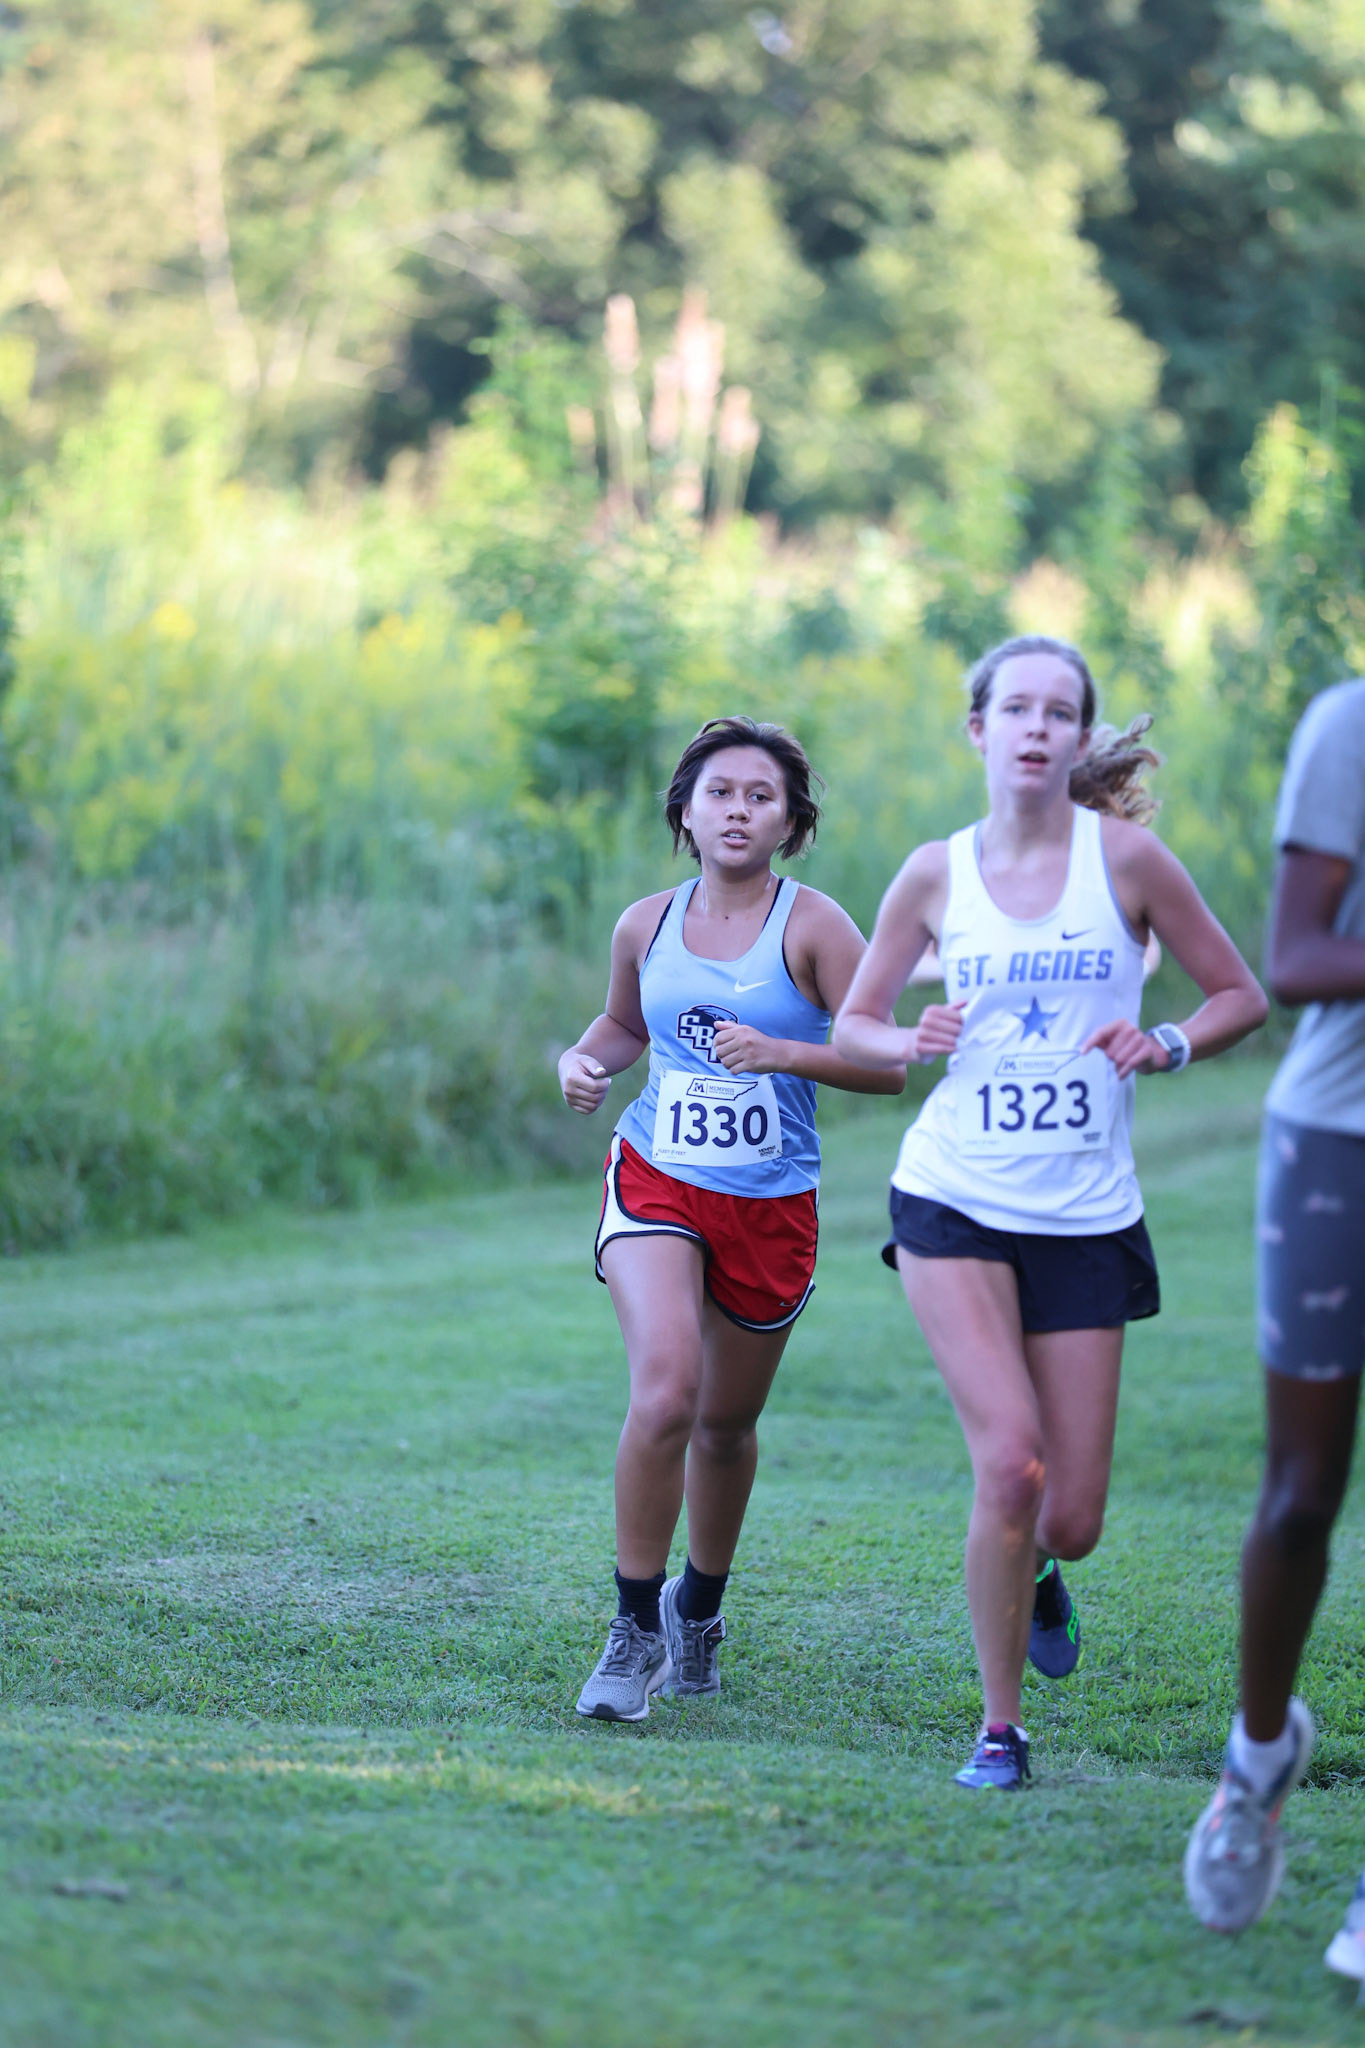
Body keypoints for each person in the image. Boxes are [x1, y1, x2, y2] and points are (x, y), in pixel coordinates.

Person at [833, 634, 1267, 1790]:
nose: (1034, 727)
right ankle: (999, 1727)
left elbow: (1241, 993)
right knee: (1012, 1466)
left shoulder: (1128, 862)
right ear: (977, 729)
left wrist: (1165, 1039)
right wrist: (903, 1038)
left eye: (1057, 711)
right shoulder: (935, 874)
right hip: (954, 1193)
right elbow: (856, 1023)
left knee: (1069, 1516)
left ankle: (1037, 1573)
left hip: (1084, 1208)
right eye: (1013, 707)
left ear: (1079, 737)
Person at [557, 715, 905, 1721]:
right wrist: (581, 1061)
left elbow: (884, 1060)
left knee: (725, 1423)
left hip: (771, 1203)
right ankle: (633, 1629)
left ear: (791, 817)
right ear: (686, 810)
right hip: (657, 1177)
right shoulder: (644, 922)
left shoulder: (817, 926)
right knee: (666, 1392)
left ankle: (697, 1607)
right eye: (720, 792)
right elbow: (624, 1024)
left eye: (762, 794)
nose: (739, 808)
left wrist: (785, 1052)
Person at [1184, 678, 1365, 1966]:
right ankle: (1258, 1757)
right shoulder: (1351, 726)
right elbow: (1295, 956)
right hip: (1339, 1143)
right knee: (1303, 1495)